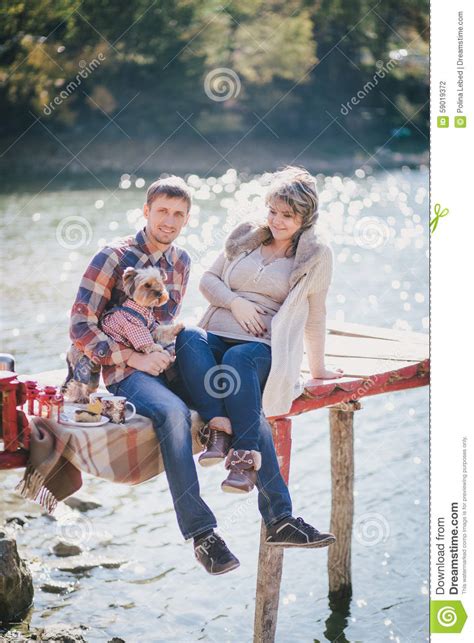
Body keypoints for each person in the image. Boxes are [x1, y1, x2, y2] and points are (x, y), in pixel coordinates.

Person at [175, 166, 344, 558]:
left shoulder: (316, 255)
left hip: (261, 347)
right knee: (186, 338)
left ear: (305, 218)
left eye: (287, 215)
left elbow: (315, 313)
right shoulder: (246, 238)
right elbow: (208, 280)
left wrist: (317, 369)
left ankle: (242, 457)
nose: (276, 220)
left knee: (238, 359)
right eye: (273, 210)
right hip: (216, 331)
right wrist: (234, 301)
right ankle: (224, 434)